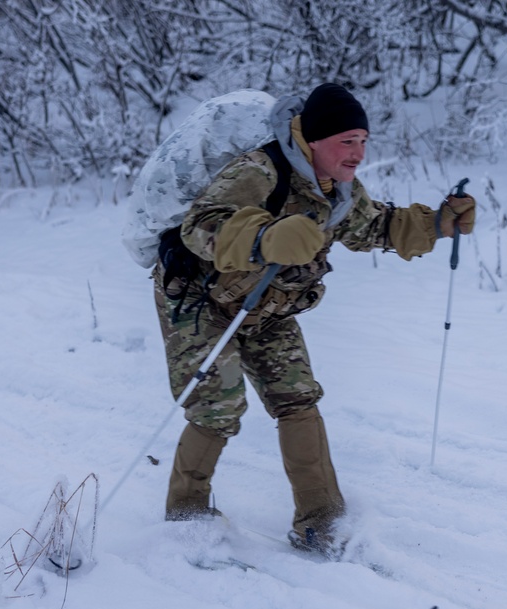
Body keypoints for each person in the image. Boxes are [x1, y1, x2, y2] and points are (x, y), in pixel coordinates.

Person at [154, 82, 476, 555]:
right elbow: (201, 226)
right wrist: (264, 238)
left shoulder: (338, 190)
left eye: (364, 141)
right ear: (313, 139)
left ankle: (321, 520)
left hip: (268, 307)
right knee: (217, 406)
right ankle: (186, 517)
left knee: (297, 398)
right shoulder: (260, 171)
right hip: (201, 302)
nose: (358, 153)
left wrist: (437, 224)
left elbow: (374, 226)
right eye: (347, 141)